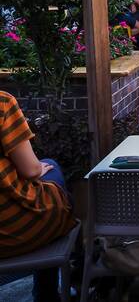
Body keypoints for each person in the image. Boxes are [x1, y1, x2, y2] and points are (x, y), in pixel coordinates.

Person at [0, 92, 76, 302]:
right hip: (12, 234)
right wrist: (36, 170)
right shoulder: (3, 103)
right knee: (55, 182)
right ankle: (48, 292)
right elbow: (31, 170)